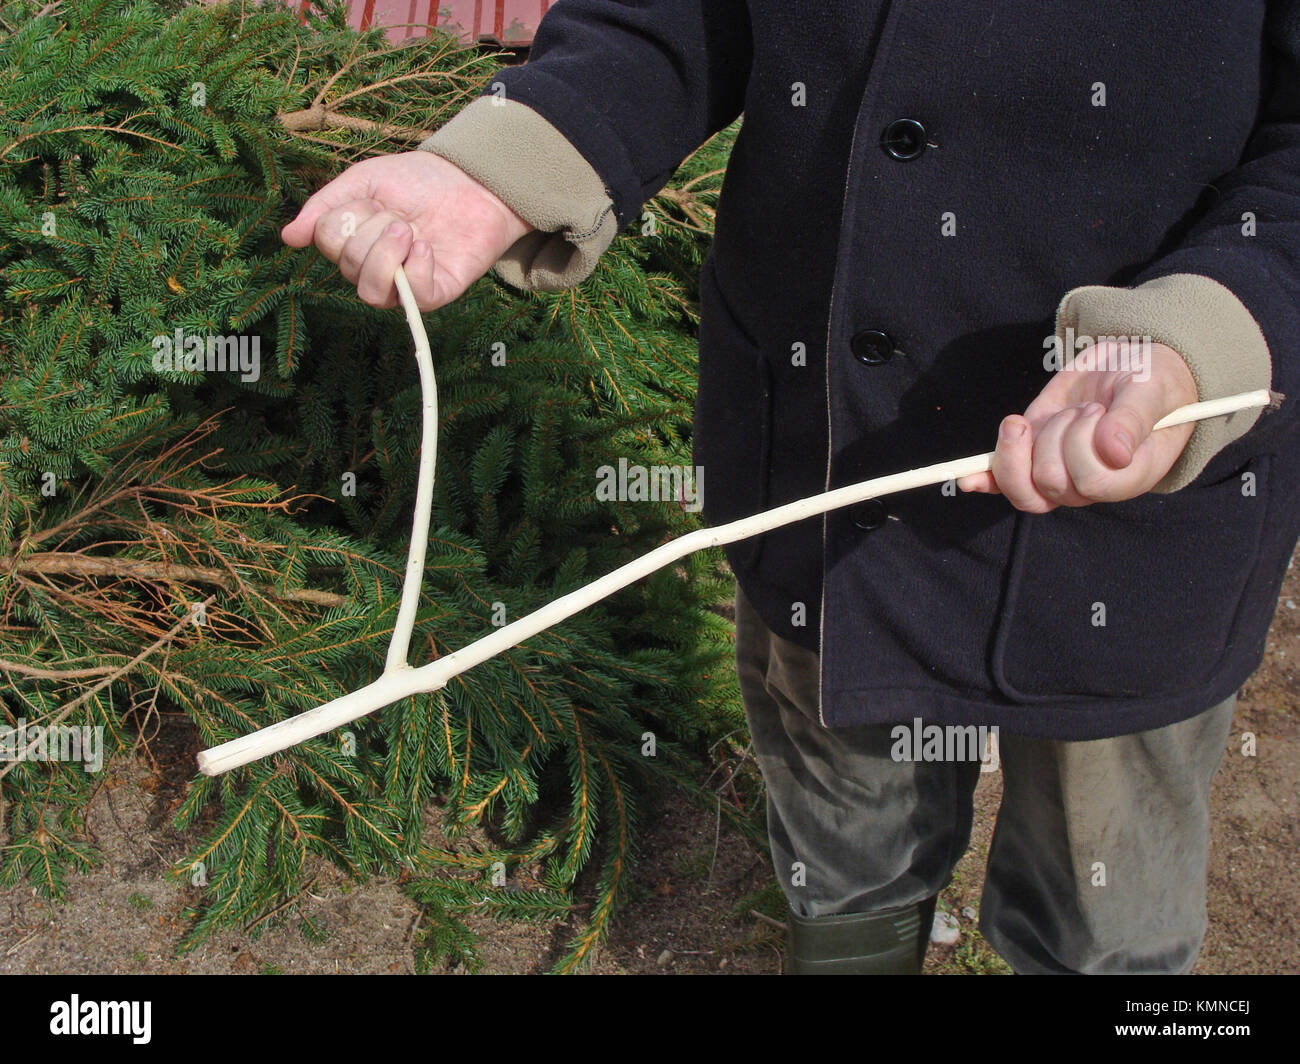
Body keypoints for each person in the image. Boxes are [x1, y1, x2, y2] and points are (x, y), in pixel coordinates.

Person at [282, 1, 1300, 974]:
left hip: (1144, 500)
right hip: (825, 456)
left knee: (1106, 908)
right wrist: (517, 157)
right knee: (845, 835)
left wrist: (1203, 339)